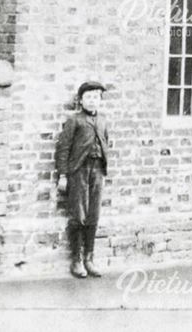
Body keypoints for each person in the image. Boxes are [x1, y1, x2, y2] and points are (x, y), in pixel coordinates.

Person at [55, 81, 110, 278]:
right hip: (79, 171)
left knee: (94, 215)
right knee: (79, 215)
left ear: (100, 100)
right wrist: (63, 175)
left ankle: (89, 258)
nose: (92, 100)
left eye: (96, 97)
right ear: (81, 100)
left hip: (97, 171)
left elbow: (105, 143)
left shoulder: (103, 120)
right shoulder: (75, 121)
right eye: (88, 97)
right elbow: (63, 149)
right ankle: (76, 260)